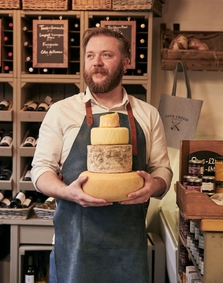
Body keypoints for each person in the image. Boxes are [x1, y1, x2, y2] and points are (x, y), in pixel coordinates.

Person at [31, 27, 173, 283]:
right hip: (75, 247)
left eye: (106, 55)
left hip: (128, 247)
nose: (96, 63)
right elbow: (40, 171)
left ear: (126, 63)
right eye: (90, 56)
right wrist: (68, 192)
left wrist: (153, 186)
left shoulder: (148, 114)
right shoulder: (61, 112)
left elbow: (163, 170)